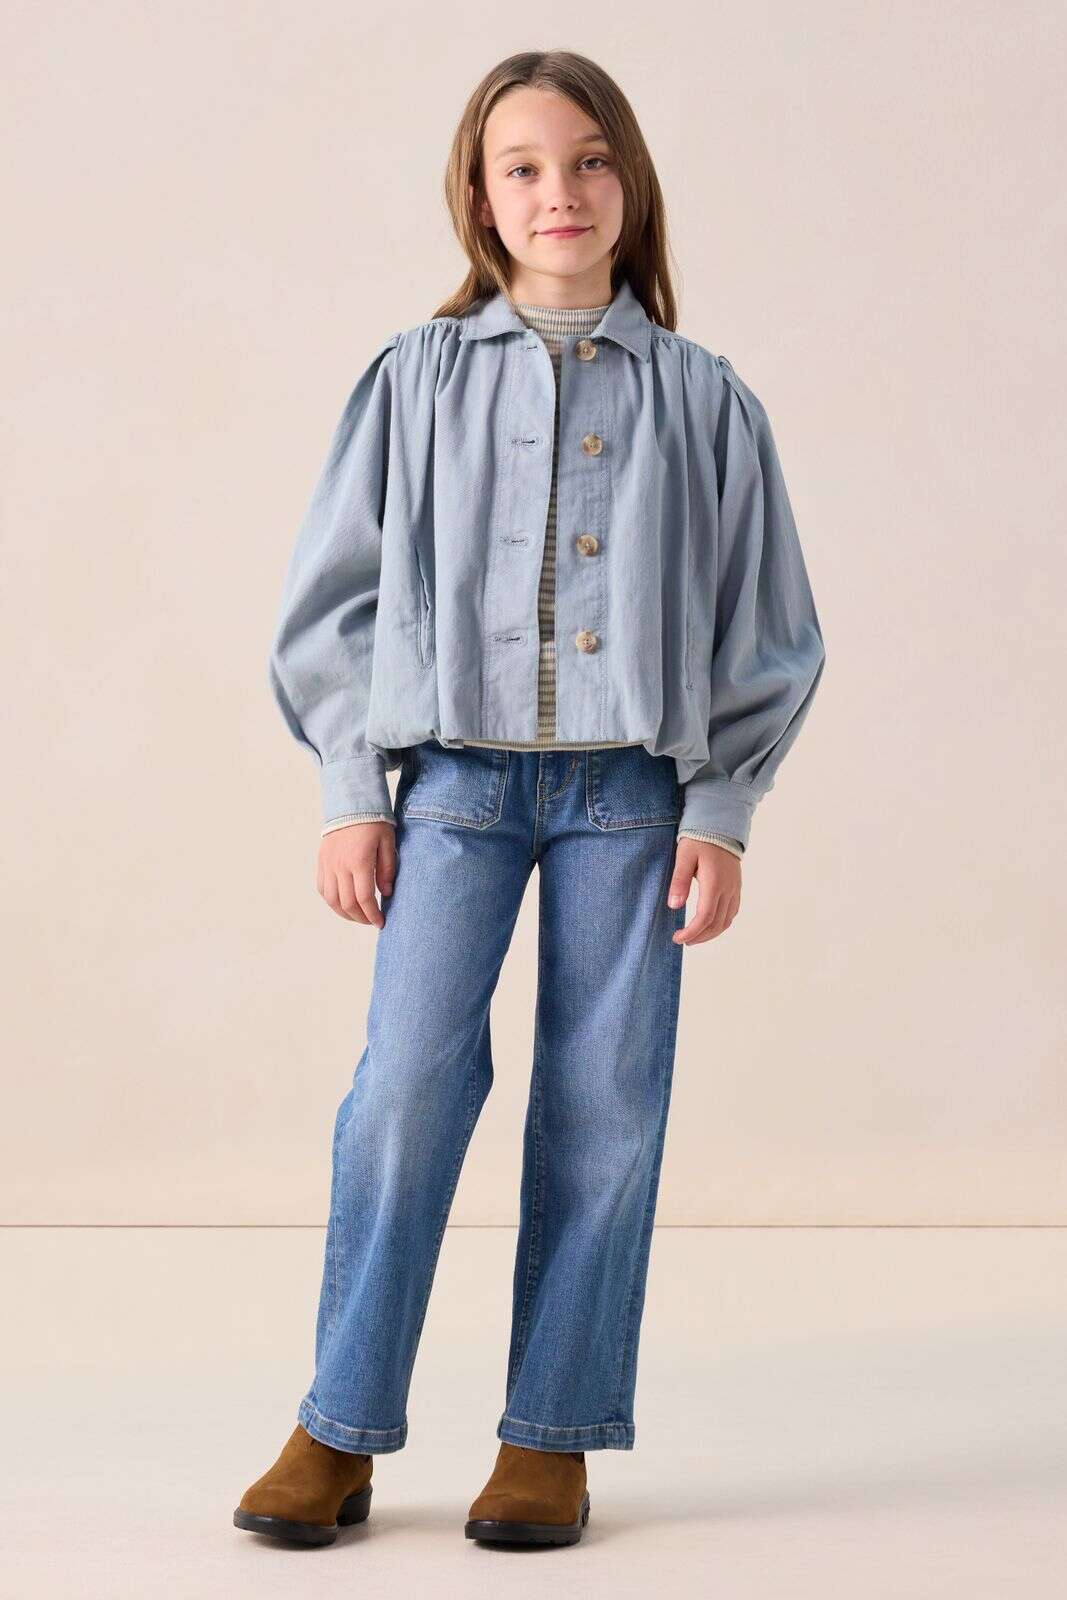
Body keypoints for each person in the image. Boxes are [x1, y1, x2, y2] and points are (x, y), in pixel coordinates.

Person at [234, 48, 826, 1550]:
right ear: (480, 196)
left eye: (589, 159)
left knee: (605, 1105)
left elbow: (766, 628)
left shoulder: (704, 399)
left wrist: (721, 809)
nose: (560, 190)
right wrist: (349, 787)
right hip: (452, 788)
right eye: (524, 166)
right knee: (405, 1092)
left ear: (630, 182)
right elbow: (333, 599)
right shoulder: (415, 378)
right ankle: (338, 1424)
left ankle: (550, 1435)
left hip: (634, 796)